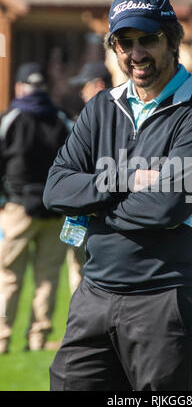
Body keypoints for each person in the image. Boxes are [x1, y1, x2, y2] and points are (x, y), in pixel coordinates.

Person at [43, 0, 192, 391]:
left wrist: (93, 201)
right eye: (125, 42)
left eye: (148, 38)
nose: (136, 52)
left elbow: (164, 209)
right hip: (95, 293)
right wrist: (125, 178)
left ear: (172, 39)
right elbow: (55, 189)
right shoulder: (100, 107)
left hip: (165, 300)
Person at [0, 62, 70, 353]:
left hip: (17, 208)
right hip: (54, 210)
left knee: (8, 276)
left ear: (19, 86)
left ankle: (2, 339)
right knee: (47, 277)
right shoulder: (61, 119)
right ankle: (38, 338)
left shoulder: (10, 118)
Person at [66, 61, 113, 294]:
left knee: (89, 278)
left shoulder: (109, 122)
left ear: (98, 85)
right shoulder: (88, 121)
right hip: (86, 212)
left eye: (84, 86)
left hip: (102, 216)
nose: (81, 93)